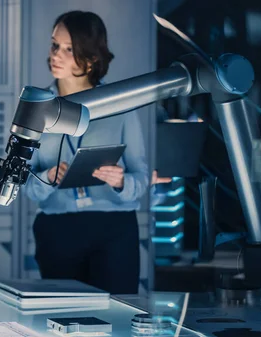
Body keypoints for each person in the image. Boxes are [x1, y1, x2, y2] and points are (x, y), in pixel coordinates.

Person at [24, 11, 152, 295]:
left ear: (92, 58)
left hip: (113, 229)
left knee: (117, 317)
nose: (56, 55)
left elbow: (141, 177)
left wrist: (121, 181)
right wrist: (47, 177)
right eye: (55, 45)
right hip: (58, 229)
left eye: (69, 49)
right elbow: (25, 185)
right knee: (64, 320)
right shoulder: (35, 107)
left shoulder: (120, 105)